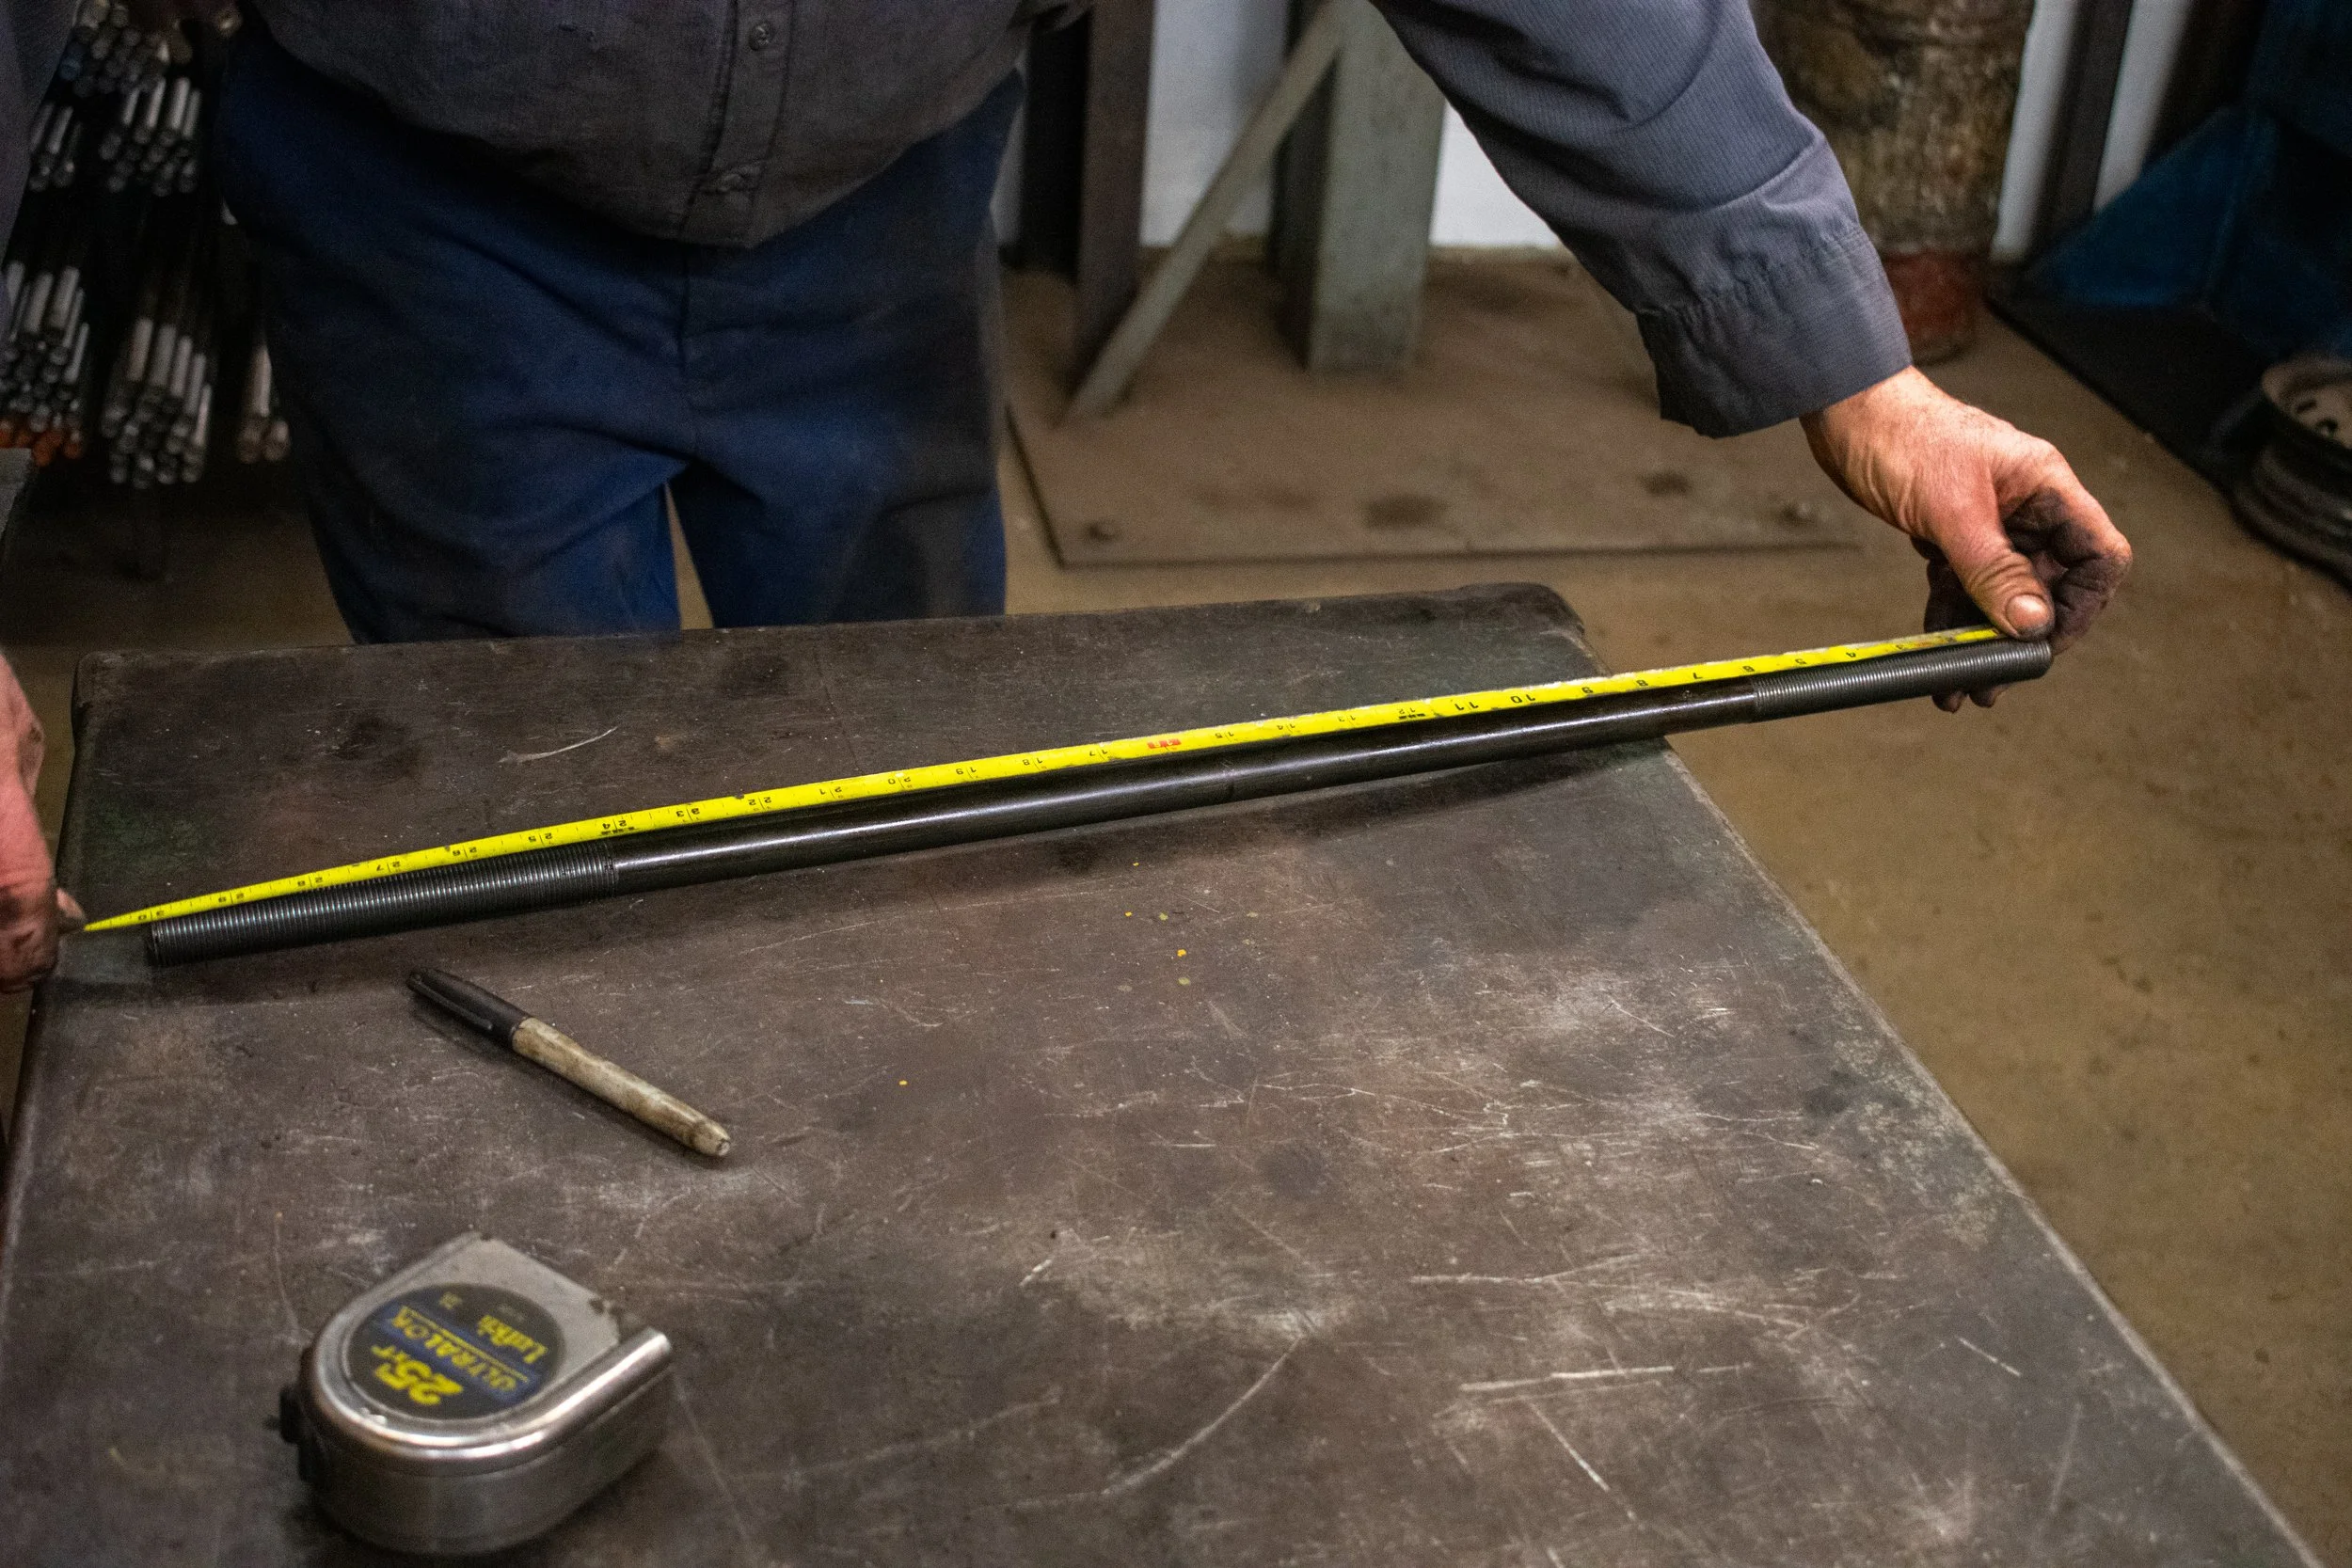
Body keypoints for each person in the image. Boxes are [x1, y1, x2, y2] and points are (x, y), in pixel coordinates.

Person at [0, 0, 2132, 988]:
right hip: (425, 209)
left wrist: (1854, 373)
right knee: (522, 835)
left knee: (928, 806)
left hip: (876, 205)